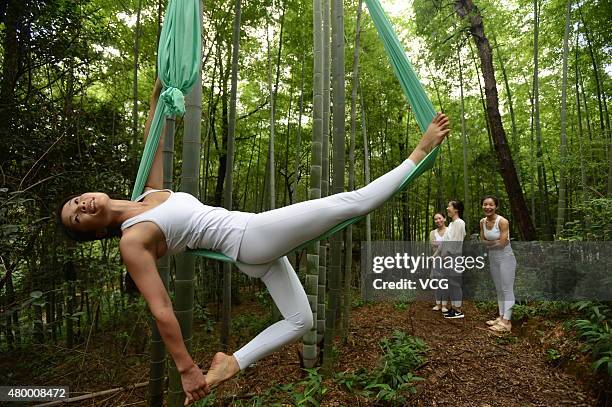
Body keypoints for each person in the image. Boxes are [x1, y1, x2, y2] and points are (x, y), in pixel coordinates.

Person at [57, 78, 450, 405]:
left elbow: (154, 144)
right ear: (93, 231)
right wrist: (186, 368)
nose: (82, 205)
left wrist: (157, 96)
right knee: (353, 202)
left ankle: (233, 363)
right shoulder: (132, 241)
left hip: (248, 249)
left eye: (76, 200)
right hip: (249, 236)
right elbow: (161, 310)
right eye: (77, 216)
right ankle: (421, 148)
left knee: (302, 320)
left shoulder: (147, 194)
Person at [480, 195, 516, 333]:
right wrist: (492, 244)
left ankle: (507, 322)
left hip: (506, 258)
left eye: (491, 205)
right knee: (499, 288)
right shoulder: (482, 222)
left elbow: (503, 243)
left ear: (496, 206)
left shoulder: (503, 222)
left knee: (507, 289)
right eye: (485, 204)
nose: (488, 207)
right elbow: (483, 240)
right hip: (493, 258)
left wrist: (490, 244)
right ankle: (501, 317)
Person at [434, 200, 466, 319]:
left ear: (456, 209)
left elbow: (455, 243)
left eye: (449, 206)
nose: (447, 208)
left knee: (455, 283)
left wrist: (446, 256)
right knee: (451, 284)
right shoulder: (452, 224)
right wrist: (435, 255)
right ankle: (454, 308)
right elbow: (444, 243)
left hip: (454, 258)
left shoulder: (459, 223)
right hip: (447, 259)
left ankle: (458, 310)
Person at [429, 213, 448, 312]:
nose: (438, 220)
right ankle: (438, 304)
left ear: (444, 219)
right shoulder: (432, 233)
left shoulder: (450, 230)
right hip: (436, 260)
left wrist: (440, 245)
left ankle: (444, 305)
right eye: (435, 219)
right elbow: (433, 245)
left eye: (440, 218)